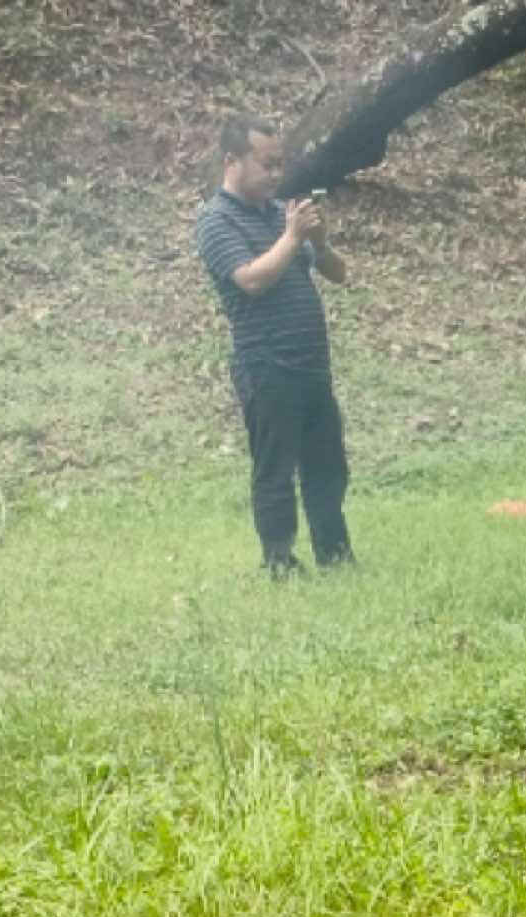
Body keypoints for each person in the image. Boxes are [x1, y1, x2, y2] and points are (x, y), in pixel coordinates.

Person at [196, 116, 356, 578]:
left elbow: (340, 274)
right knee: (276, 472)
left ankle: (335, 553)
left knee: (328, 467)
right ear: (232, 162)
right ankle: (279, 563)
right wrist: (291, 237)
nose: (275, 174)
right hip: (266, 364)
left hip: (311, 365)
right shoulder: (215, 220)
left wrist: (319, 244)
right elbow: (251, 280)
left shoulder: (276, 213)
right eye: (266, 164)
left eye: (280, 165)